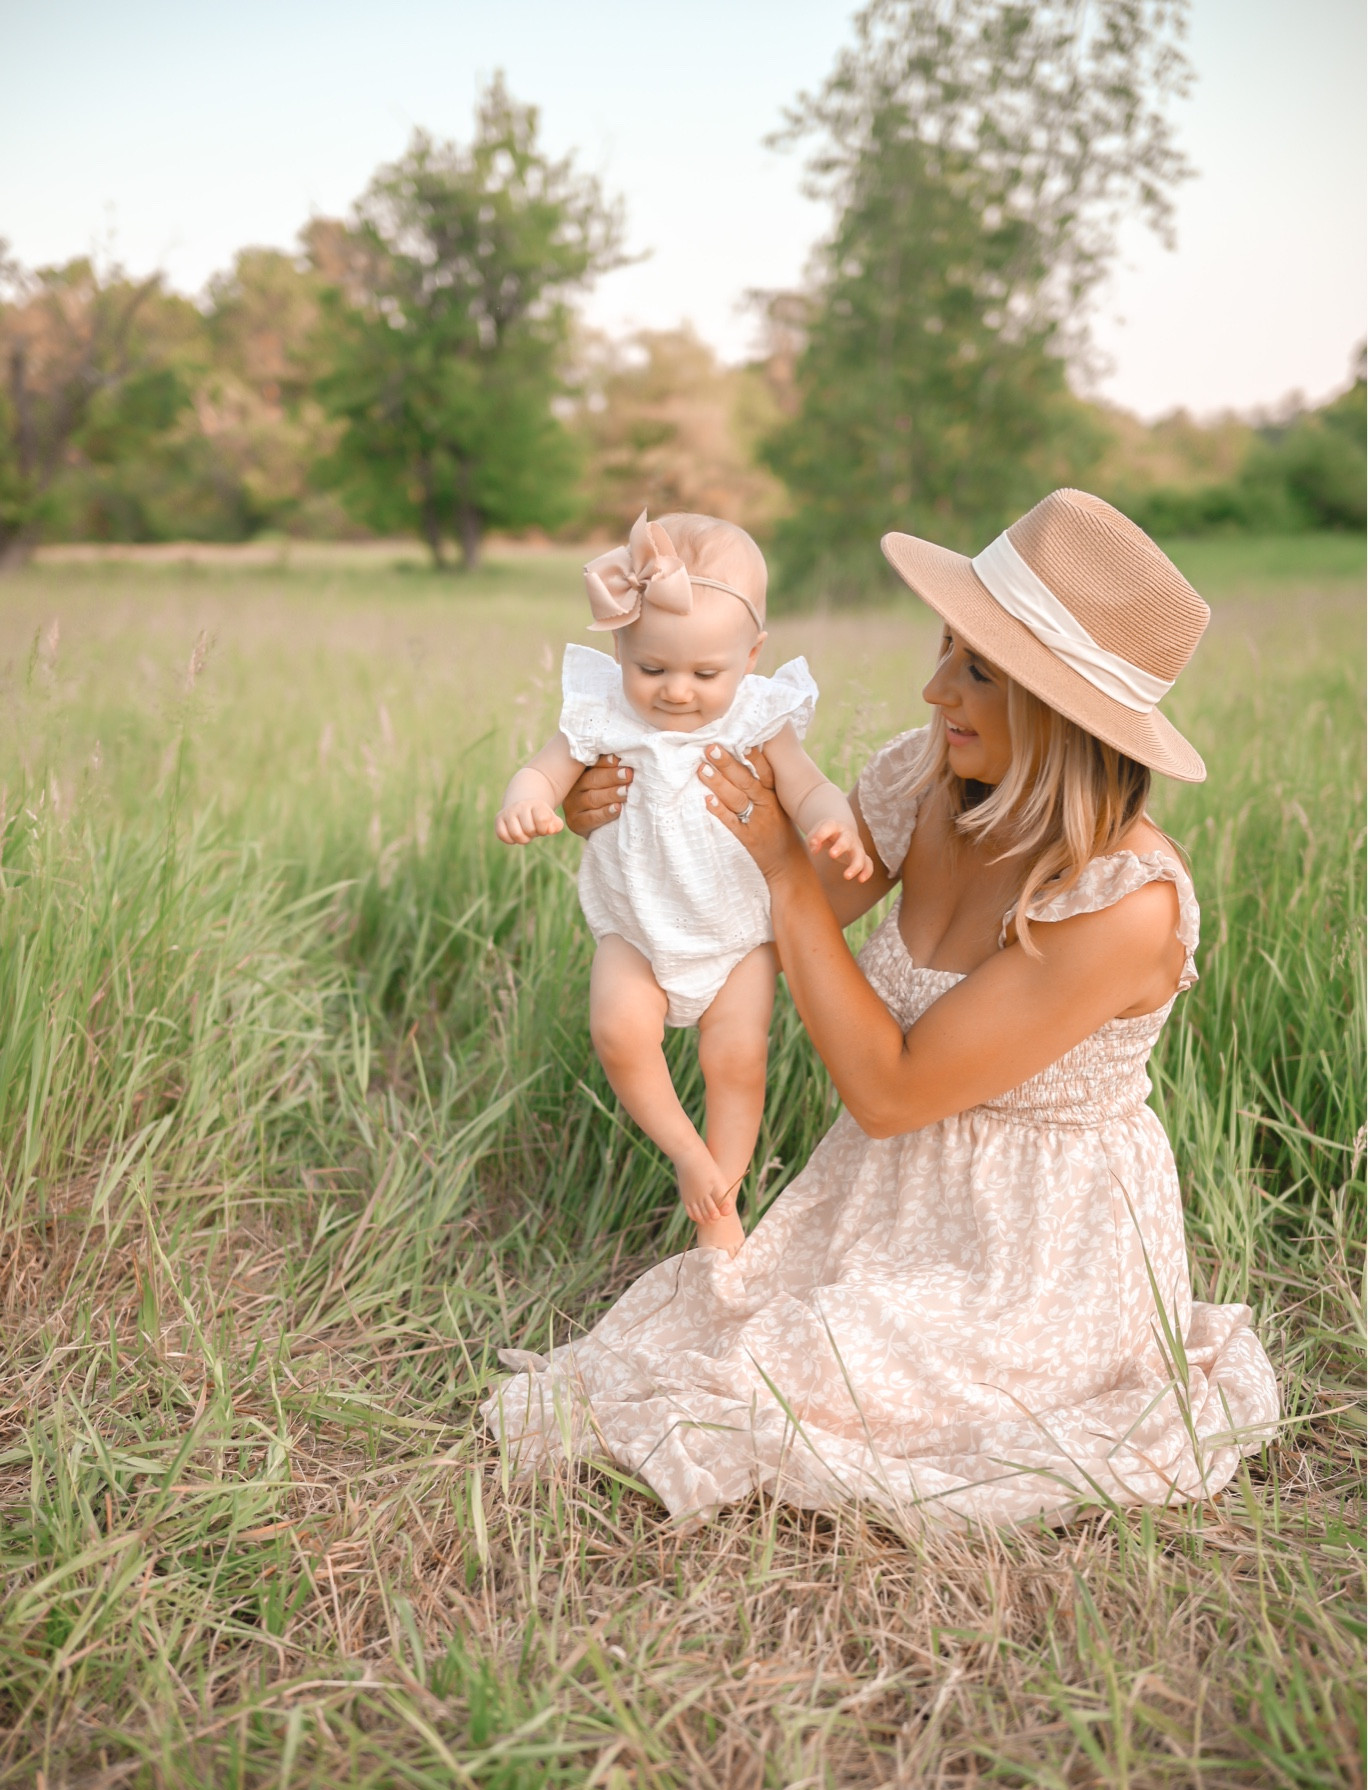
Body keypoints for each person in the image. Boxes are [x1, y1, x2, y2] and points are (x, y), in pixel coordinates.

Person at [484, 489, 1279, 1527]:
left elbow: (891, 1086)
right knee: (732, 1344)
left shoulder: (1122, 904)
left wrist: (782, 858)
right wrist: (617, 805)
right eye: (947, 647)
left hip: (1034, 1247)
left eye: (976, 669)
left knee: (789, 1376)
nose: (932, 685)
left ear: (1058, 707)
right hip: (881, 1194)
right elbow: (749, 925)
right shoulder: (929, 779)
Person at [495, 509, 869, 1253]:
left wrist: (837, 823)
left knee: (737, 1060)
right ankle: (687, 1154)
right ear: (622, 648)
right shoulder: (603, 712)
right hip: (634, 928)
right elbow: (545, 765)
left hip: (735, 935)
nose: (675, 692)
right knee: (618, 1031)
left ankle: (719, 1207)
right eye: (652, 668)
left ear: (752, 653)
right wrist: (528, 797)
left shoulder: (759, 718)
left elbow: (810, 788)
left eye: (706, 673)